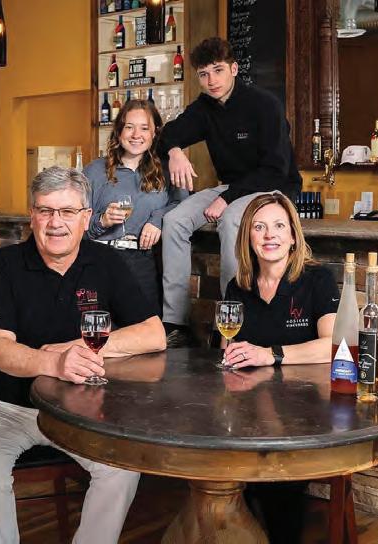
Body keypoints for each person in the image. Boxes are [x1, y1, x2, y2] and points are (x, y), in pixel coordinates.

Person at [0, 166, 167, 544]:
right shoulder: (1, 266)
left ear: (86, 218)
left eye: (68, 211)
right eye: (45, 210)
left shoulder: (106, 262)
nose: (56, 222)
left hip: (81, 408)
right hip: (2, 406)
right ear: (32, 215)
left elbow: (154, 335)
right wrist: (54, 362)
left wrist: (79, 347)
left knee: (122, 468)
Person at [157, 37, 302, 346]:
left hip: (273, 186)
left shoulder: (265, 105)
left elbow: (276, 168)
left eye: (218, 70)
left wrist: (226, 198)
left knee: (232, 218)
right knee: (174, 221)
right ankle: (175, 323)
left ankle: (231, 323)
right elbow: (167, 134)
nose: (212, 80)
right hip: (233, 187)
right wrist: (175, 151)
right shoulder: (204, 108)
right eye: (204, 74)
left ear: (234, 69)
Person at [222, 192, 340, 544]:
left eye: (278, 226)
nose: (269, 235)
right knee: (217, 471)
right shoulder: (238, 287)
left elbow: (335, 347)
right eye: (259, 227)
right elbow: (229, 351)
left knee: (273, 482)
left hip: (306, 413)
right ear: (248, 237)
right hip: (250, 410)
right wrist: (233, 355)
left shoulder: (317, 279)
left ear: (292, 235)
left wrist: (270, 354)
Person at [84, 99, 187, 314]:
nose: (136, 135)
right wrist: (102, 220)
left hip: (142, 263)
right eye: (129, 127)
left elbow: (183, 205)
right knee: (97, 327)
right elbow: (75, 222)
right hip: (99, 260)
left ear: (154, 133)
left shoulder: (167, 170)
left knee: (146, 327)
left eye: (144, 128)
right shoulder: (94, 171)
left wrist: (158, 219)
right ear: (119, 131)